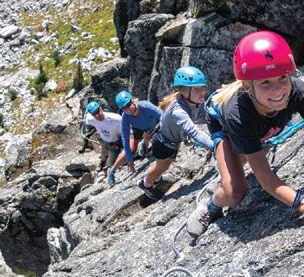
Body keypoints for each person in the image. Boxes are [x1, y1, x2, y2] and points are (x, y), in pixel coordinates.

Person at [186, 30, 304, 238]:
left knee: (246, 153)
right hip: (222, 124)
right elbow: (264, 176)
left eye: (282, 77)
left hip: (254, 125)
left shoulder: (298, 91)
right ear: (248, 87)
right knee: (234, 191)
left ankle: (231, 168)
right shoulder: (237, 113)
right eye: (265, 82)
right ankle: (211, 204)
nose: (277, 89)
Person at [138, 66, 217, 200]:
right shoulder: (178, 111)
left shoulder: (190, 101)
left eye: (202, 87)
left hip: (170, 140)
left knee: (168, 162)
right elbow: (194, 131)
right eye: (196, 89)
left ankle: (156, 179)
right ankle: (146, 184)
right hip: (163, 143)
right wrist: (214, 145)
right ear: (185, 92)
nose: (202, 92)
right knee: (161, 167)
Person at [113, 90, 162, 174]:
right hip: (138, 128)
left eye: (128, 104)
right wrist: (130, 160)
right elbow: (125, 139)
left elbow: (163, 116)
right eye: (124, 108)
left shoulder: (145, 105)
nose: (128, 109)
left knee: (157, 140)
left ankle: (145, 141)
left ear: (132, 100)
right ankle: (112, 170)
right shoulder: (125, 117)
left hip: (155, 126)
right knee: (131, 150)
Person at [83, 101, 125, 184]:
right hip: (103, 140)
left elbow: (125, 130)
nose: (97, 115)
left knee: (111, 162)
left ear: (101, 109)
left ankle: (109, 176)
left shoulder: (116, 119)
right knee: (103, 152)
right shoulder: (90, 118)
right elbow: (86, 120)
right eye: (94, 114)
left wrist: (120, 144)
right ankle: (102, 162)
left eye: (97, 112)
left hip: (114, 143)